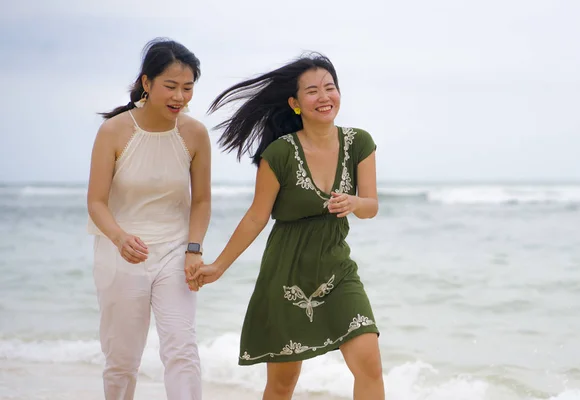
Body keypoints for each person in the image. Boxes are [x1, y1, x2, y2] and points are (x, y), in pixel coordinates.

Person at [190, 53, 385, 400]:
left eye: (330, 88)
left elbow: (370, 207)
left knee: (369, 363)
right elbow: (256, 217)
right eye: (312, 91)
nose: (324, 97)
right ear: (295, 103)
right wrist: (218, 266)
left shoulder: (359, 143)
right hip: (286, 274)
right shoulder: (279, 153)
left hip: (338, 270)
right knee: (282, 384)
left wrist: (355, 202)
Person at [86, 38, 210, 400]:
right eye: (170, 86)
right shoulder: (115, 131)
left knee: (182, 349)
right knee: (122, 359)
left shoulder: (195, 134)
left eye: (187, 88)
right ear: (147, 82)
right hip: (121, 253)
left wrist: (194, 249)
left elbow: (201, 200)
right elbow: (95, 201)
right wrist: (120, 238)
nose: (180, 97)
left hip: (175, 251)